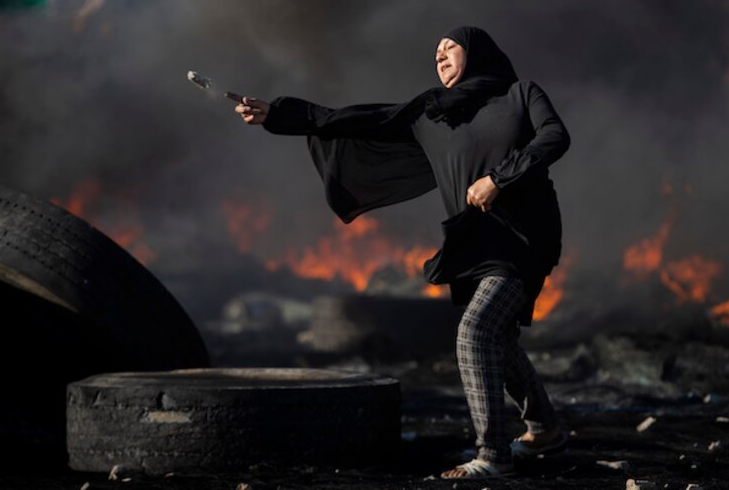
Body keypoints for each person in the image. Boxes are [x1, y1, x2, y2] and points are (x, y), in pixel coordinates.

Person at [235, 26, 570, 479]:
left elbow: (554, 137)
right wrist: (276, 114)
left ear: (476, 52)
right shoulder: (430, 113)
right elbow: (354, 118)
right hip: (473, 241)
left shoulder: (519, 94)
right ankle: (544, 427)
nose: (439, 55)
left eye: (449, 47)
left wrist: (499, 179)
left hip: (527, 235)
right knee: (498, 337)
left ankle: (492, 456)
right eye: (434, 52)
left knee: (474, 333)